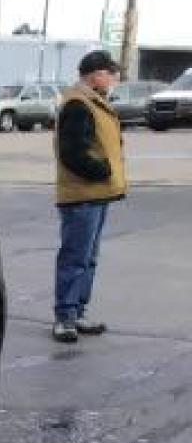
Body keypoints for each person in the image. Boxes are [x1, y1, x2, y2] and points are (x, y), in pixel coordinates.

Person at [52, 50, 126, 343]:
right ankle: (65, 318)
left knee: (88, 258)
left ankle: (78, 312)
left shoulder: (94, 102)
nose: (114, 80)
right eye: (111, 74)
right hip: (82, 195)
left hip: (97, 193)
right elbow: (73, 152)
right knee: (75, 257)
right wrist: (103, 171)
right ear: (96, 75)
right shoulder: (78, 104)